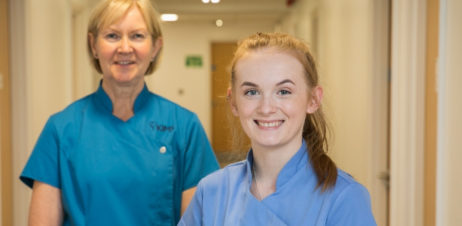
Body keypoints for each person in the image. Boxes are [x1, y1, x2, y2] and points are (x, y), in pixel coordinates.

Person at [20, 0, 219, 225]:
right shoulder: (61, 129)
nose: (125, 48)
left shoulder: (184, 127)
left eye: (137, 36)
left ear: (155, 47)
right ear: (93, 45)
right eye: (112, 36)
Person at [178, 32, 376, 226]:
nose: (266, 108)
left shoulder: (344, 198)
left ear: (313, 100)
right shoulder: (212, 192)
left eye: (283, 92)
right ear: (233, 102)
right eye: (252, 92)